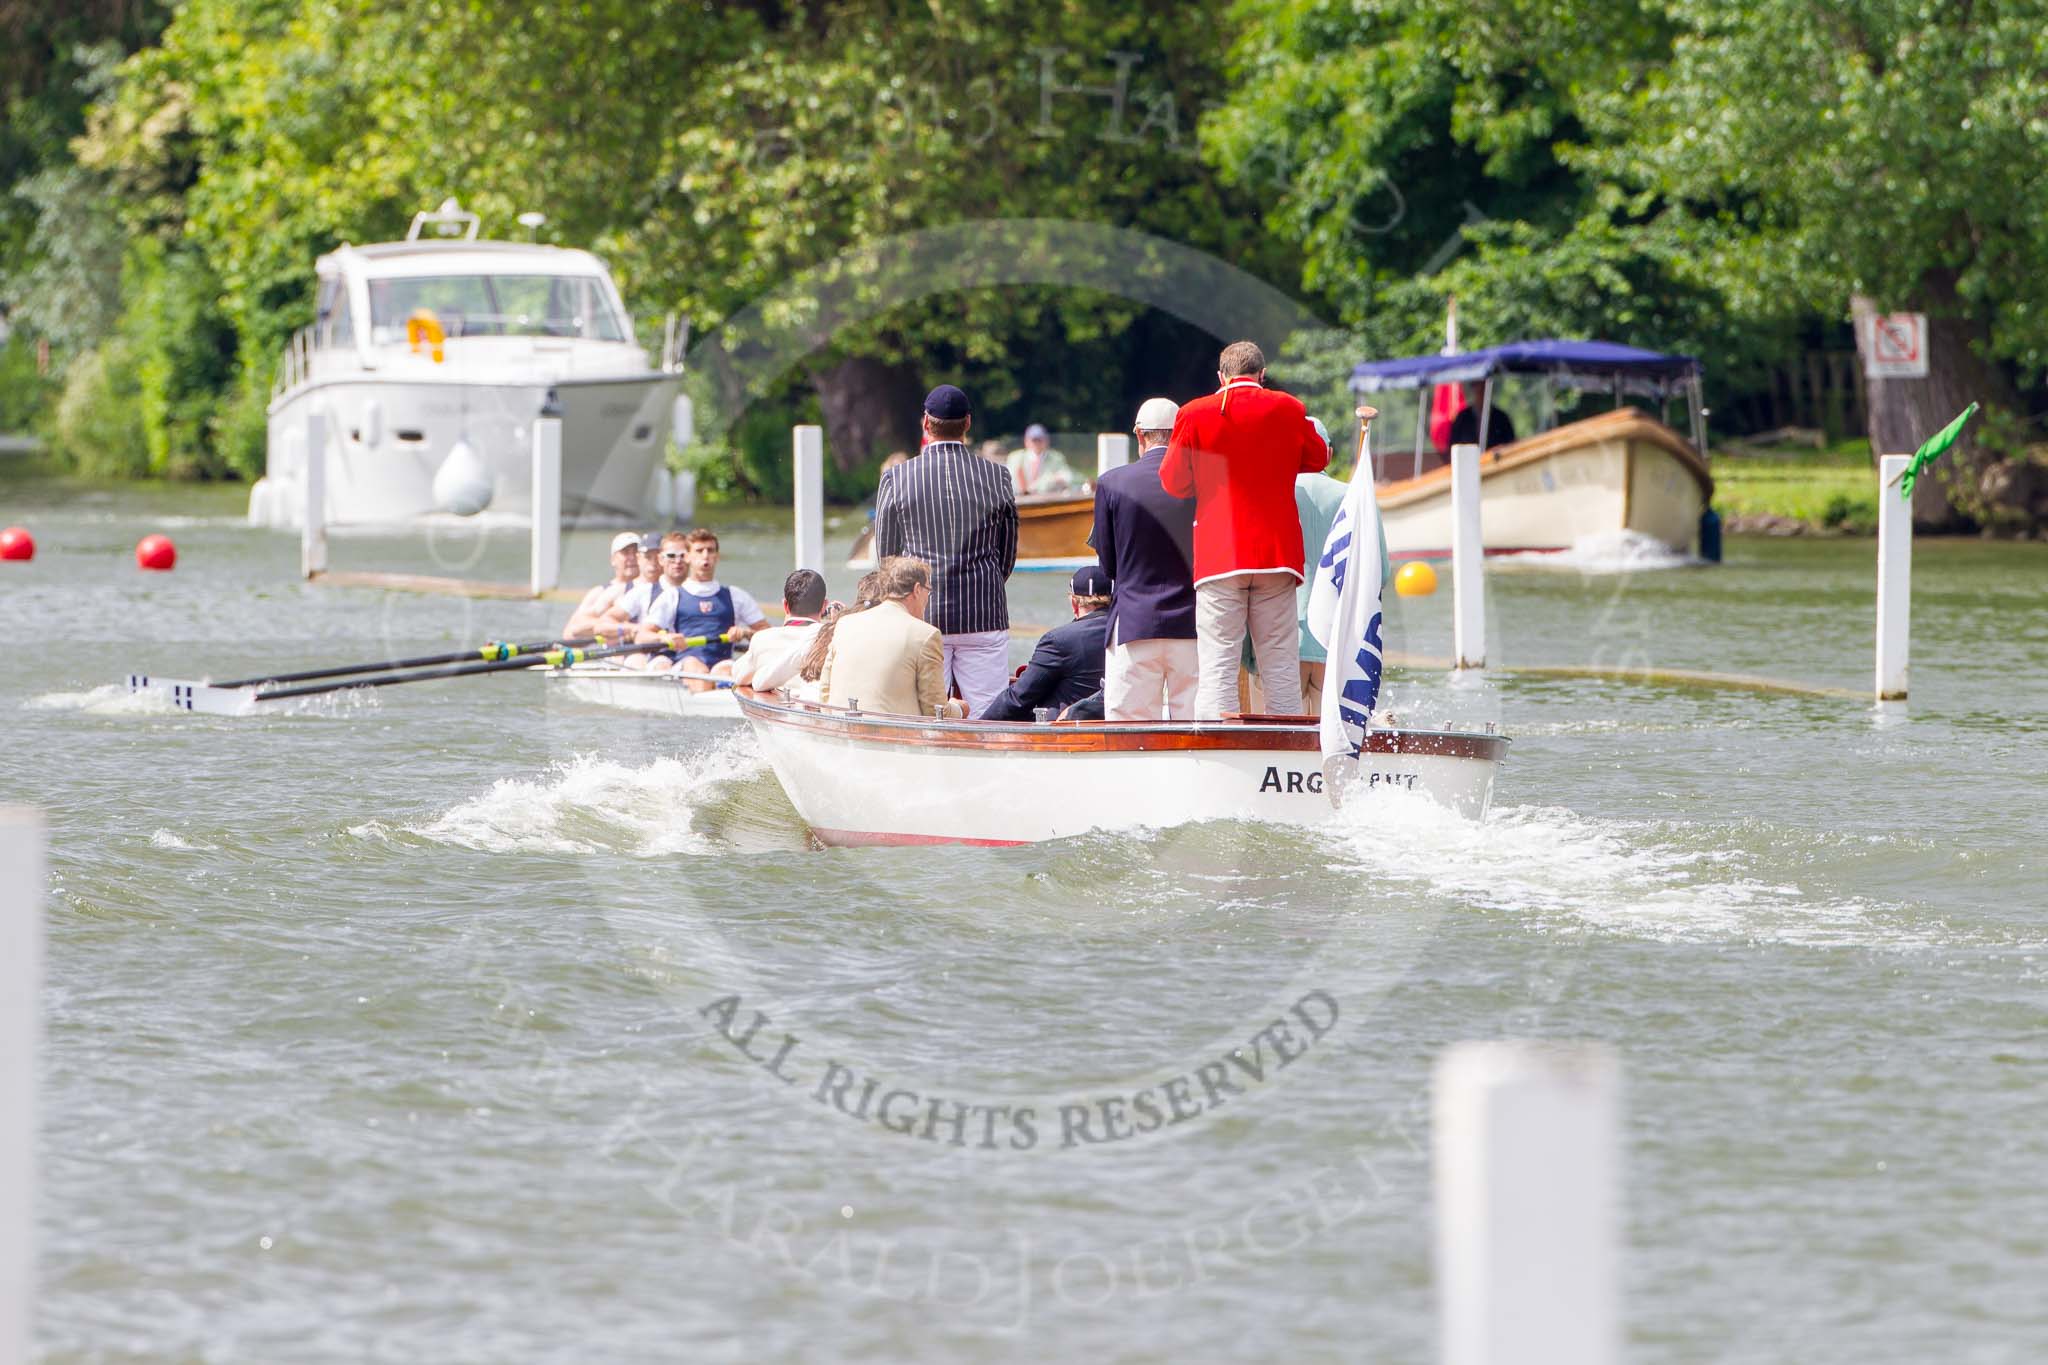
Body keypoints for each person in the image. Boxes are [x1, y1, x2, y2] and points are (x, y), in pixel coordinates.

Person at [1160, 339, 1330, 718]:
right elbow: (1318, 457)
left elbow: (1172, 482)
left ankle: (1218, 744)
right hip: (1277, 555)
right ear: (1262, 374)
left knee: (1218, 662)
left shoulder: (1194, 413)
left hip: (1220, 556)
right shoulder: (1288, 407)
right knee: (1281, 663)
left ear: (1221, 376)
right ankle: (1285, 743)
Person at [873, 384, 1018, 717]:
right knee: (989, 716)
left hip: (921, 613)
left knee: (924, 714)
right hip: (984, 613)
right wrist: (988, 584)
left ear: (926, 423)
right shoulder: (998, 476)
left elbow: (888, 558)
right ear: (967, 423)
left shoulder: (897, 477)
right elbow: (1007, 551)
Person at [1092, 396, 1199, 720]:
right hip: (1192, 623)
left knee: (1129, 729)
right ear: (1180, 434)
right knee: (1197, 726)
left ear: (1140, 435)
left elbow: (1107, 565)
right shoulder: (1202, 482)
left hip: (1134, 622)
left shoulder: (1112, 483)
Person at [819, 556, 964, 718]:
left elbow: (825, 692)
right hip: (894, 738)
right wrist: (960, 708)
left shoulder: (844, 624)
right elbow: (936, 711)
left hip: (840, 733)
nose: (927, 601)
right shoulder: (925, 635)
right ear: (917, 589)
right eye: (928, 591)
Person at [633, 528, 769, 688]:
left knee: (727, 672)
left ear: (717, 557)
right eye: (699, 551)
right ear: (688, 557)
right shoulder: (672, 596)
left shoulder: (735, 595)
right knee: (697, 670)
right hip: (687, 664)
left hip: (721, 663)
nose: (705, 556)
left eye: (710, 551)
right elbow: (642, 636)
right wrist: (664, 638)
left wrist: (746, 633)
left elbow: (768, 634)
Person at [980, 566, 1111, 721]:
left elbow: (1019, 698)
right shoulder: (1128, 633)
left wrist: (979, 726)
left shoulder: (1059, 640)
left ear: (1074, 603)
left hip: (1065, 733)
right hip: (1117, 726)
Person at [732, 569, 829, 694]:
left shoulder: (762, 638)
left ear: (785, 605)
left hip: (777, 708)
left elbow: (739, 675)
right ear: (824, 606)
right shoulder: (833, 637)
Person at [563, 532, 643, 639]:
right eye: (625, 552)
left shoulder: (654, 587)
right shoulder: (600, 592)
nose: (632, 557)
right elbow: (569, 633)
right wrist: (613, 626)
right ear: (613, 560)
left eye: (636, 552)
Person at [1006, 423, 1075, 495]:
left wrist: (1047, 482)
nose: (1037, 443)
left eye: (1040, 440)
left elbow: (1067, 477)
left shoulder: (1056, 457)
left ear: (1047, 440)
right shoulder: (1015, 457)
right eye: (1034, 440)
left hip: (1047, 500)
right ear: (1026, 441)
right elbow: (1010, 480)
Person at [1447, 384, 1517, 450]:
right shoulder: (1462, 418)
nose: (1482, 391)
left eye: (1484, 387)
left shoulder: (1501, 419)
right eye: (1479, 387)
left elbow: (1512, 445)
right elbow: (1452, 447)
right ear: (1473, 387)